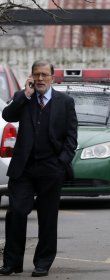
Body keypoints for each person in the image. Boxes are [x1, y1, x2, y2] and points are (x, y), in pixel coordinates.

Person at [0, 60, 78, 276]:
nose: (40, 79)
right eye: (37, 75)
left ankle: (43, 262)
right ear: (31, 76)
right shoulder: (23, 98)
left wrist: (61, 163)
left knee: (47, 216)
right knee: (16, 212)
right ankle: (12, 263)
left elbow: (72, 137)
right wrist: (25, 95)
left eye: (44, 74)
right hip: (23, 168)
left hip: (51, 167)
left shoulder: (65, 102)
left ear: (53, 77)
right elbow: (8, 116)